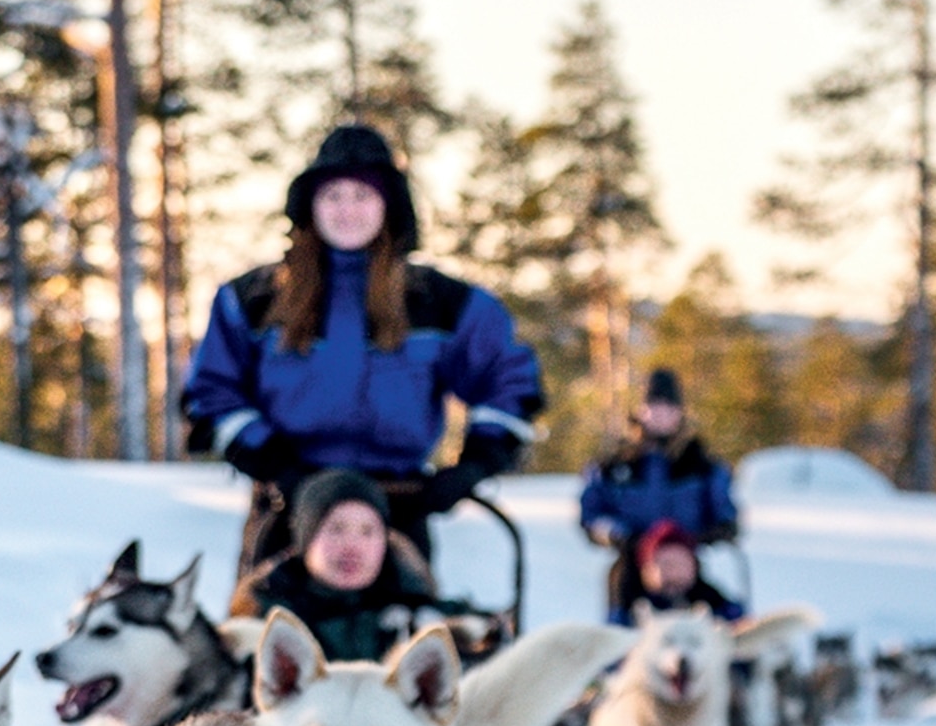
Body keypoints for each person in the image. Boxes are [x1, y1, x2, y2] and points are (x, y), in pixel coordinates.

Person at [187, 124, 545, 591]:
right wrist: (275, 466)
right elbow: (212, 390)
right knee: (269, 648)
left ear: (389, 206)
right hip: (289, 506)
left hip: (399, 505)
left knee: (401, 652)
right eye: (333, 195)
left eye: (362, 195)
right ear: (310, 206)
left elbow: (509, 380)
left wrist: (474, 463)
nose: (347, 210)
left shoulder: (441, 302)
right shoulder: (252, 300)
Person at [240, 468, 488, 665]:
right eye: (335, 529)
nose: (352, 547)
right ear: (305, 540)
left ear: (386, 541)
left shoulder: (422, 615)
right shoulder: (263, 621)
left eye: (368, 532)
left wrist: (485, 635)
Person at [581, 367, 739, 622]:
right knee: (623, 608)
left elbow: (723, 509)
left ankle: (743, 649)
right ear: (641, 410)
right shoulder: (616, 465)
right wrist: (618, 535)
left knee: (718, 609)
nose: (661, 413)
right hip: (634, 559)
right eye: (654, 405)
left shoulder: (700, 464)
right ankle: (619, 656)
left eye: (669, 406)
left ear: (680, 412)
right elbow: (592, 514)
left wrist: (719, 529)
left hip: (685, 556)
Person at [612, 520, 743, 624]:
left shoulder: (717, 606)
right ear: (646, 571)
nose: (674, 574)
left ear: (695, 568)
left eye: (681, 565)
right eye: (666, 565)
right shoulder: (627, 613)